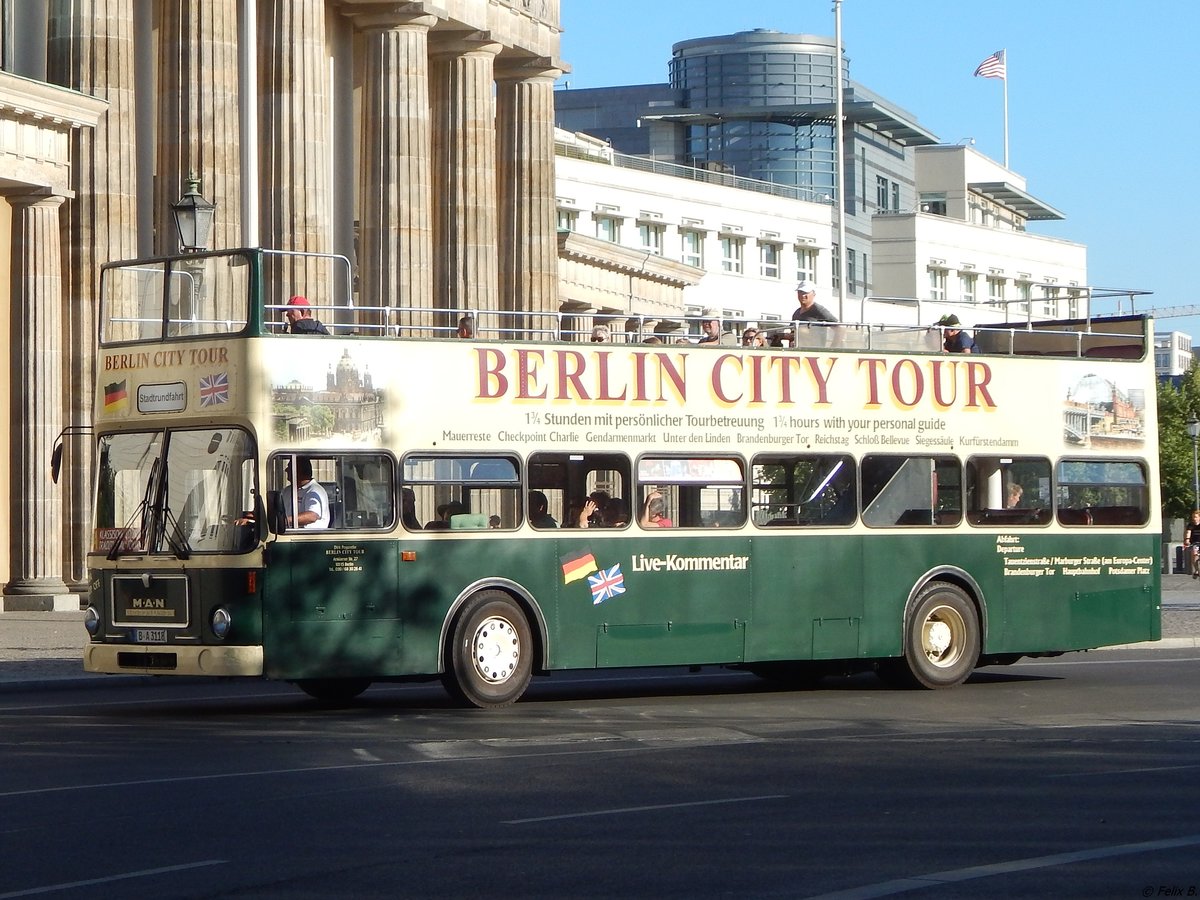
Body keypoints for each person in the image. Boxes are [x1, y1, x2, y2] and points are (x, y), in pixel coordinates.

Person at [280, 457, 329, 529]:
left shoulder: (314, 490)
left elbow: (312, 516)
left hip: (308, 537)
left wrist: (286, 521)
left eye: (289, 467)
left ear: (298, 470)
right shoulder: (286, 491)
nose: (286, 470)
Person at [1186, 510, 1200, 578]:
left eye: (1196, 517)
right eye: (1193, 517)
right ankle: (1196, 570)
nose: (1194, 518)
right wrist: (1187, 540)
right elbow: (1188, 532)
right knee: (1194, 554)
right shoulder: (1190, 525)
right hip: (1195, 542)